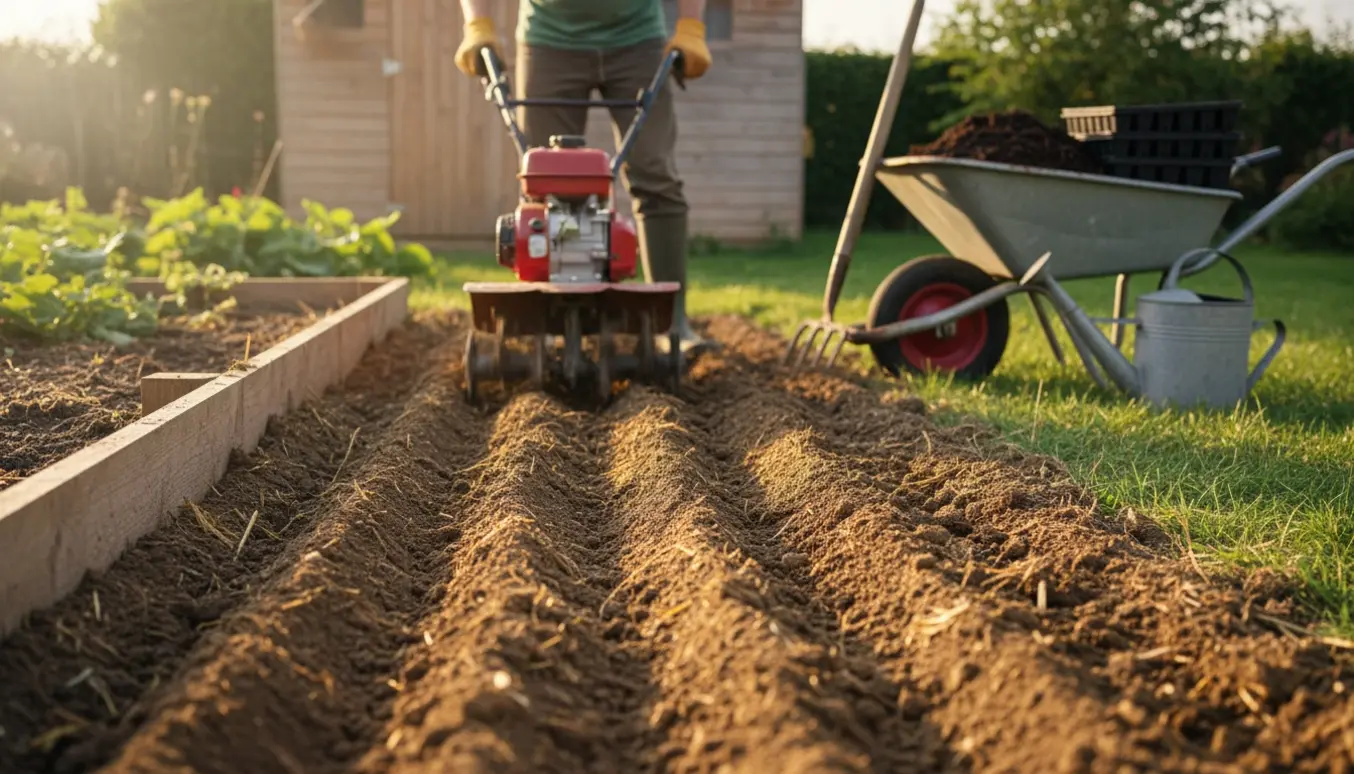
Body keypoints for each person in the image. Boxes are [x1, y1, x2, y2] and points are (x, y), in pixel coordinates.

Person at [454, 0, 712, 353]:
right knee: (544, 180)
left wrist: (691, 27)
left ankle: (672, 325)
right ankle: (547, 319)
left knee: (655, 174)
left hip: (637, 39)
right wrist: (478, 25)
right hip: (549, 39)